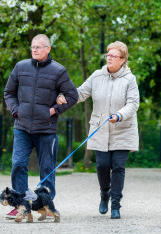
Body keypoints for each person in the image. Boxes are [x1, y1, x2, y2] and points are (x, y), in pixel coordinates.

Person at [57, 41, 139, 219]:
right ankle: (105, 194)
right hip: (100, 129)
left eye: (113, 56)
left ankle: (116, 204)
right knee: (102, 166)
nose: (109, 58)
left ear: (123, 60)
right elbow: (80, 93)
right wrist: (65, 97)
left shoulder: (129, 80)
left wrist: (119, 115)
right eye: (108, 55)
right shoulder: (96, 76)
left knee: (118, 166)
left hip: (123, 130)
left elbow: (133, 104)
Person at [3, 34, 78, 218]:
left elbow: (72, 96)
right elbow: (9, 92)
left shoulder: (58, 71)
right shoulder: (21, 67)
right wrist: (16, 111)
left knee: (47, 168)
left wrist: (53, 111)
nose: (35, 50)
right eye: (33, 47)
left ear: (48, 49)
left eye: (39, 47)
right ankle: (20, 204)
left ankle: (45, 205)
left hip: (46, 129)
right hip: (22, 127)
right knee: (18, 164)